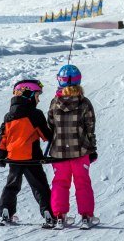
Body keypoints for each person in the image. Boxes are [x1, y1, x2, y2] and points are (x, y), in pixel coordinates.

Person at [0, 79, 55, 229]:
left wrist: (0, 155)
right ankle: (48, 212)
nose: (38, 99)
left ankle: (6, 211)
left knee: (12, 185)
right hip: (31, 158)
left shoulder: (8, 116)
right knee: (39, 186)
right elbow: (46, 135)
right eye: (37, 95)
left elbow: (4, 137)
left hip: (14, 158)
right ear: (28, 94)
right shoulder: (35, 114)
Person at [47, 65, 98, 230]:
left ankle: (59, 216)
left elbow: (50, 125)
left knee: (60, 183)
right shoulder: (84, 103)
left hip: (59, 153)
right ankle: (86, 216)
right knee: (82, 183)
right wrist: (92, 149)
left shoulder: (55, 102)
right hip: (80, 151)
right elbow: (90, 128)